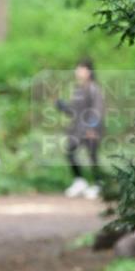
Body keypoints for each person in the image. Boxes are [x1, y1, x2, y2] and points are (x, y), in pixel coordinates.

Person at [55, 58, 105, 199]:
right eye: (77, 69)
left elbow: (98, 110)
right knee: (70, 151)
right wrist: (63, 106)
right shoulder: (78, 89)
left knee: (92, 156)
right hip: (78, 130)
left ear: (89, 71)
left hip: (91, 129)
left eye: (81, 69)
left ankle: (98, 185)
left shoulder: (94, 88)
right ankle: (80, 182)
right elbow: (74, 111)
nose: (77, 72)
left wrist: (92, 128)